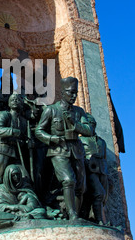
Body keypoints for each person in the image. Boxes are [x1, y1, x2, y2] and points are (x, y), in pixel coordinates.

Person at [35, 77, 93, 220]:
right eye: (70, 93)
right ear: (62, 92)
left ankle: (75, 214)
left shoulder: (79, 112)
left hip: (76, 150)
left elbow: (89, 130)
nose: (73, 96)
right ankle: (73, 215)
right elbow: (38, 130)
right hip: (58, 150)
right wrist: (51, 138)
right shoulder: (51, 110)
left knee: (81, 187)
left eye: (76, 93)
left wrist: (75, 124)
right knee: (68, 180)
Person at [0, 93, 29, 193]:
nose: (15, 100)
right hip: (2, 150)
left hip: (16, 153)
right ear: (9, 103)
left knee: (24, 178)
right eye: (12, 99)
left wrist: (27, 142)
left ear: (22, 103)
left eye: (18, 99)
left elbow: (23, 138)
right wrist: (13, 131)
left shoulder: (24, 121)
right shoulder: (4, 115)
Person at [0, 164, 47, 229]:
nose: (16, 177)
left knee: (41, 212)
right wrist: (14, 207)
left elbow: (34, 204)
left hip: (27, 212)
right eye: (13, 175)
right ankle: (21, 218)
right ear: (8, 176)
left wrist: (22, 207)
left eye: (17, 174)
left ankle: (16, 221)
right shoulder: (2, 189)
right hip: (10, 214)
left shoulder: (25, 185)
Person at [80, 113, 109, 225]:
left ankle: (99, 218)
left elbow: (104, 156)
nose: (90, 126)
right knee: (99, 193)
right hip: (89, 170)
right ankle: (99, 220)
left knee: (103, 197)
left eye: (91, 124)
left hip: (102, 170)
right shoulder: (80, 140)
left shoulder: (102, 142)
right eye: (87, 124)